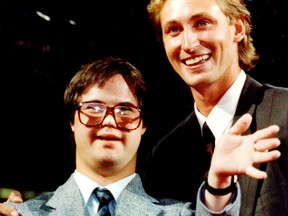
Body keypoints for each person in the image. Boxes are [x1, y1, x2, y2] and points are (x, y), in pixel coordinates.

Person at [0, 56, 282, 216]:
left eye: (125, 110)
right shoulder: (23, 214)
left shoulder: (181, 214)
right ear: (73, 121)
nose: (109, 121)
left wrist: (218, 183)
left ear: (143, 125)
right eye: (94, 108)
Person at [142, 0, 288, 215]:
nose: (188, 44)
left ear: (237, 28)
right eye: (174, 30)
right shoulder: (164, 158)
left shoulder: (285, 112)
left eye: (202, 23)